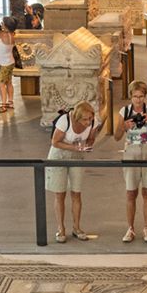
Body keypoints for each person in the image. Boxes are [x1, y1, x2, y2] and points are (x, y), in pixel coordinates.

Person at [113, 80, 147, 242]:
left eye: (141, 96)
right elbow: (116, 137)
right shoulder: (124, 111)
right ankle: (130, 228)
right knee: (130, 192)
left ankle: (146, 228)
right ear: (130, 97)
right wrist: (124, 126)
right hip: (132, 152)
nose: (138, 100)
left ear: (145, 96)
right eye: (135, 96)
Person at [47, 101, 98, 243]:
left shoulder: (94, 123)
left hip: (77, 156)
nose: (88, 122)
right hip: (59, 155)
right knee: (60, 193)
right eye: (85, 119)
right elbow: (55, 142)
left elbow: (92, 138)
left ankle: (76, 227)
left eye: (90, 118)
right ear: (77, 117)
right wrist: (74, 148)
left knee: (76, 192)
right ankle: (61, 228)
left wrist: (87, 145)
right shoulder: (65, 121)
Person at [0, 15, 18, 113]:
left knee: (1, 84)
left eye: (3, 23)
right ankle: (11, 102)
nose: (1, 24)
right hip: (11, 62)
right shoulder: (12, 35)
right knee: (9, 82)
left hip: (4, 64)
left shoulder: (2, 35)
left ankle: (3, 105)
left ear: (6, 25)